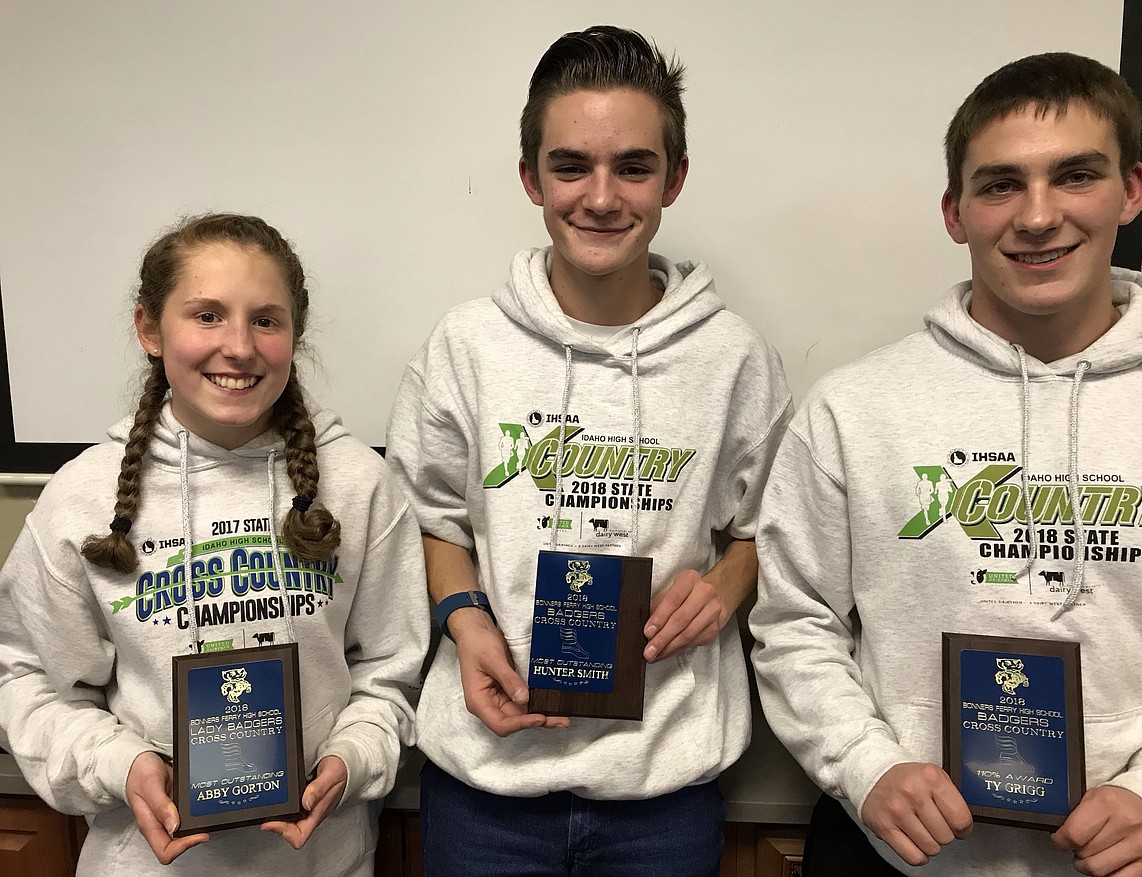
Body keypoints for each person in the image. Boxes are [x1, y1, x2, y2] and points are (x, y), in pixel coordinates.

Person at [750, 52, 1142, 876]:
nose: (1038, 216)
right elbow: (793, 622)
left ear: (1131, 189)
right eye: (1000, 184)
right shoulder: (853, 409)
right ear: (955, 211)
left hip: (1122, 861)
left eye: (1075, 175)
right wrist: (865, 767)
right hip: (889, 855)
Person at [386, 25, 791, 877]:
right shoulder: (465, 346)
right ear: (531, 176)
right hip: (486, 790)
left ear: (674, 178)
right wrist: (462, 619)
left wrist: (723, 586)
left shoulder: (734, 357)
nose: (601, 197)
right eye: (571, 165)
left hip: (665, 794)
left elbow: (771, 528)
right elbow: (428, 519)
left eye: (633, 167)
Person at [0, 213, 430, 876]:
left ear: (295, 333)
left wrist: (354, 756)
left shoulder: (360, 485)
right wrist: (121, 762)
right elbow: (25, 678)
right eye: (206, 315)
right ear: (150, 328)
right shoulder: (80, 499)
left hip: (324, 860)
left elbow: (391, 672)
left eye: (265, 319)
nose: (239, 346)